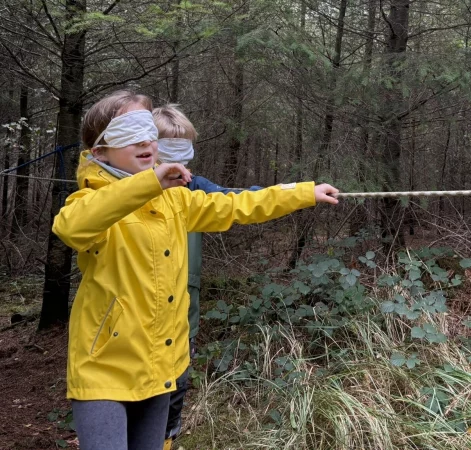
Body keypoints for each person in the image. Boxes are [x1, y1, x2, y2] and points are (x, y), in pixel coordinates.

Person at [52, 90, 338, 450]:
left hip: (160, 367)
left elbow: (236, 205)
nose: (145, 141)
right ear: (100, 153)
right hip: (103, 371)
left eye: (149, 131)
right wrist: (151, 181)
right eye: (129, 132)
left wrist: (301, 193)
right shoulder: (88, 202)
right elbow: (72, 227)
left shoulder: (177, 200)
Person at [152, 104, 262, 449]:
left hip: (184, 320)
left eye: (184, 152)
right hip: (135, 326)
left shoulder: (195, 188)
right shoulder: (124, 194)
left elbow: (235, 201)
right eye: (168, 149)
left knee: (173, 398)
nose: (178, 164)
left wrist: (291, 194)